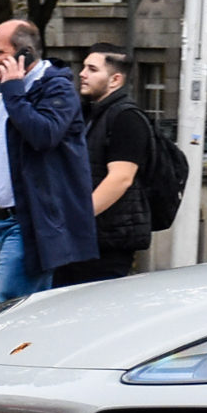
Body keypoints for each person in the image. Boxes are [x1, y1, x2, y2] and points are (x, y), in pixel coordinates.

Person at [0, 20, 98, 308]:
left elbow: (43, 134)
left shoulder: (56, 88)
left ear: (22, 55)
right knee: (24, 308)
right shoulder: (2, 94)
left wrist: (14, 90)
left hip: (33, 222)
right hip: (5, 222)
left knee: (2, 306)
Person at [55, 47, 153, 286]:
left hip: (106, 245)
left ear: (115, 80)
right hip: (85, 240)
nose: (82, 74)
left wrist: (76, 221)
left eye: (92, 69)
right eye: (84, 67)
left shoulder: (126, 118)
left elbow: (121, 178)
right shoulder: (90, 113)